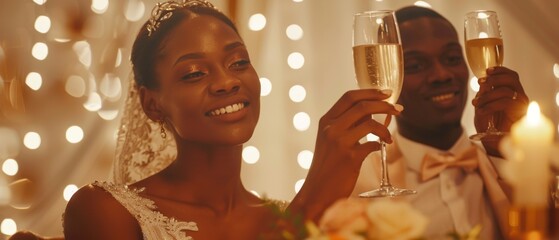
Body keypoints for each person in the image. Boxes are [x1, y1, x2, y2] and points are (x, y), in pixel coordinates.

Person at [5, 1, 401, 239]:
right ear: (152, 105)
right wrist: (313, 200)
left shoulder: (279, 212)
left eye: (238, 62)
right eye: (194, 73)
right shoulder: (103, 210)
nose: (227, 82)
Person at [352, 6, 529, 239]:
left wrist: (503, 152)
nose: (442, 74)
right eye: (416, 65)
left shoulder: (506, 164)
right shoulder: (362, 185)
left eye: (453, 58)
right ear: (389, 72)